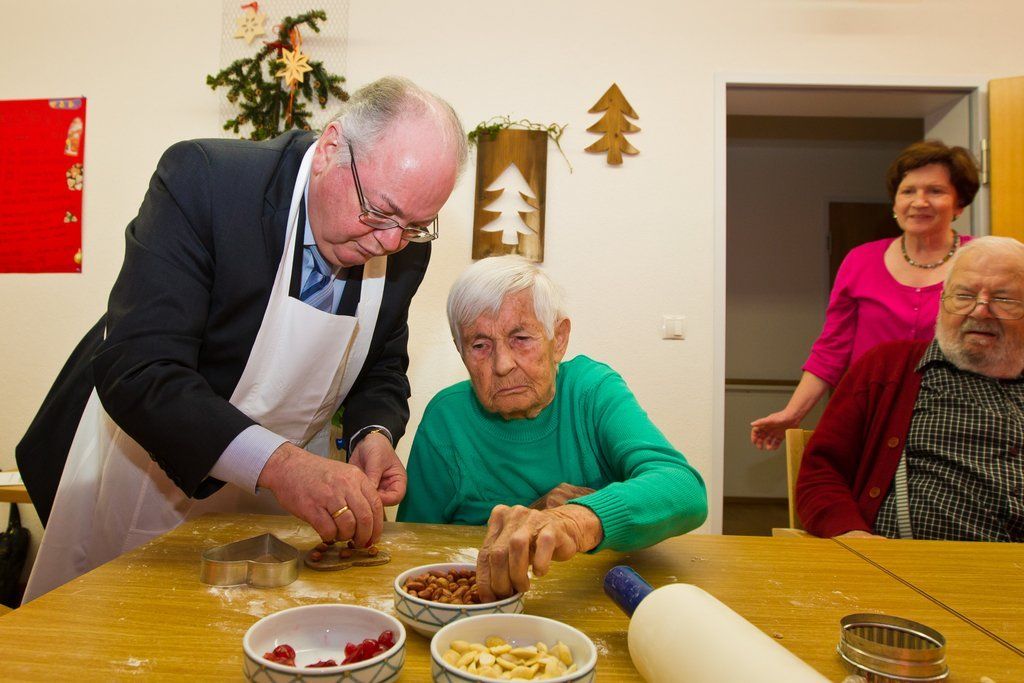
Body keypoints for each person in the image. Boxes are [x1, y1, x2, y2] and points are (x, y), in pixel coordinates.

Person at [16, 76, 468, 601]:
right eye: (380, 212)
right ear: (330, 149)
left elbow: (381, 360)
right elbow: (139, 368)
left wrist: (373, 434)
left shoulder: (405, 245)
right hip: (150, 460)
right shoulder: (207, 182)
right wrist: (283, 465)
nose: (390, 241)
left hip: (276, 494)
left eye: (415, 225)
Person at [397, 256, 707, 600]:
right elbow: (412, 545)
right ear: (461, 352)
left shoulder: (592, 390)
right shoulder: (446, 419)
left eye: (521, 338)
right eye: (480, 346)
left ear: (558, 339)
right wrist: (534, 518)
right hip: (478, 604)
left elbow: (685, 490)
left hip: (590, 596)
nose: (502, 364)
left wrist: (574, 521)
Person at [751, 140, 980, 450]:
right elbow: (832, 349)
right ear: (895, 203)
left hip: (955, 422)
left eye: (935, 191)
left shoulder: (981, 261)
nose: (919, 201)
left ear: (959, 204)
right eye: (908, 191)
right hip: (869, 419)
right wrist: (792, 414)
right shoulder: (860, 261)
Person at [795, 236, 1024, 541]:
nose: (980, 311)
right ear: (942, 301)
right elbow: (821, 473)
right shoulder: (887, 368)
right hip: (904, 562)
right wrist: (850, 534)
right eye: (964, 295)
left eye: (1003, 299)